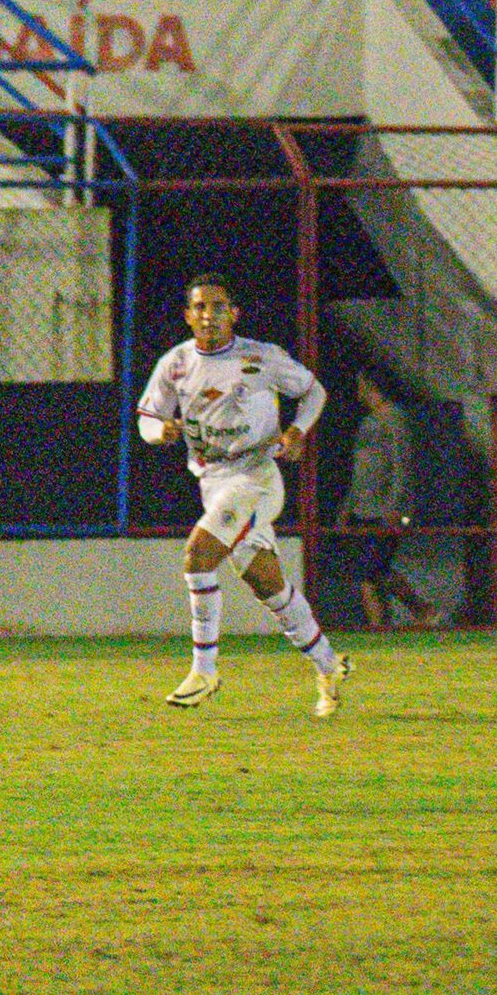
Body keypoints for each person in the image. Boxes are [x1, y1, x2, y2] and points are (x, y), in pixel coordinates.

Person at [137, 274, 352, 718]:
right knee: (267, 585)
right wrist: (161, 431)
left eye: (218, 306)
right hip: (212, 483)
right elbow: (146, 417)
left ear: (234, 314)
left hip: (256, 478)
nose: (208, 315)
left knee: (198, 556)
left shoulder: (261, 357)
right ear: (187, 315)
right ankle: (329, 665)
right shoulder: (175, 363)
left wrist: (296, 431)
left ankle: (204, 671)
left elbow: (314, 391)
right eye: (199, 307)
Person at [337, 372, 439, 630]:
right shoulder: (367, 423)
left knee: (368, 574)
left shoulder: (394, 419)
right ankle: (422, 609)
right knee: (377, 571)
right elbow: (360, 469)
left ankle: (377, 631)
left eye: (361, 385)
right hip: (364, 509)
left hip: (384, 510)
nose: (357, 390)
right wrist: (349, 505)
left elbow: (401, 464)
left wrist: (395, 506)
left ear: (372, 386)